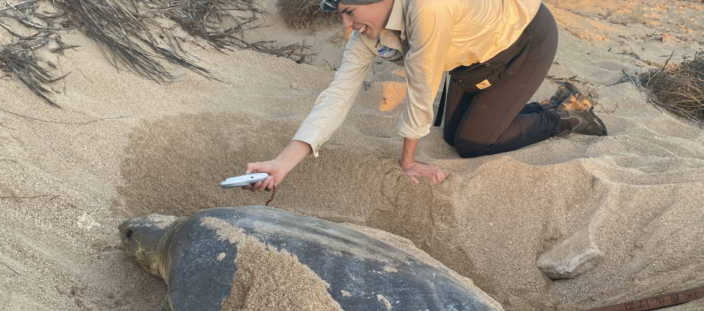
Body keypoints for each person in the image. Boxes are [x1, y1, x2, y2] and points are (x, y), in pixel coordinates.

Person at [243, 0, 607, 192]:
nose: (347, 25)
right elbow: (337, 93)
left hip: (524, 39)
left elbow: (423, 87)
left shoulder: (429, 7)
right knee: (450, 134)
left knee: (472, 141)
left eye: (350, 13)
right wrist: (283, 163)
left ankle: (564, 116)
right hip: (471, 62)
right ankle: (538, 106)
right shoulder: (369, 34)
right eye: (342, 16)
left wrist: (408, 162)